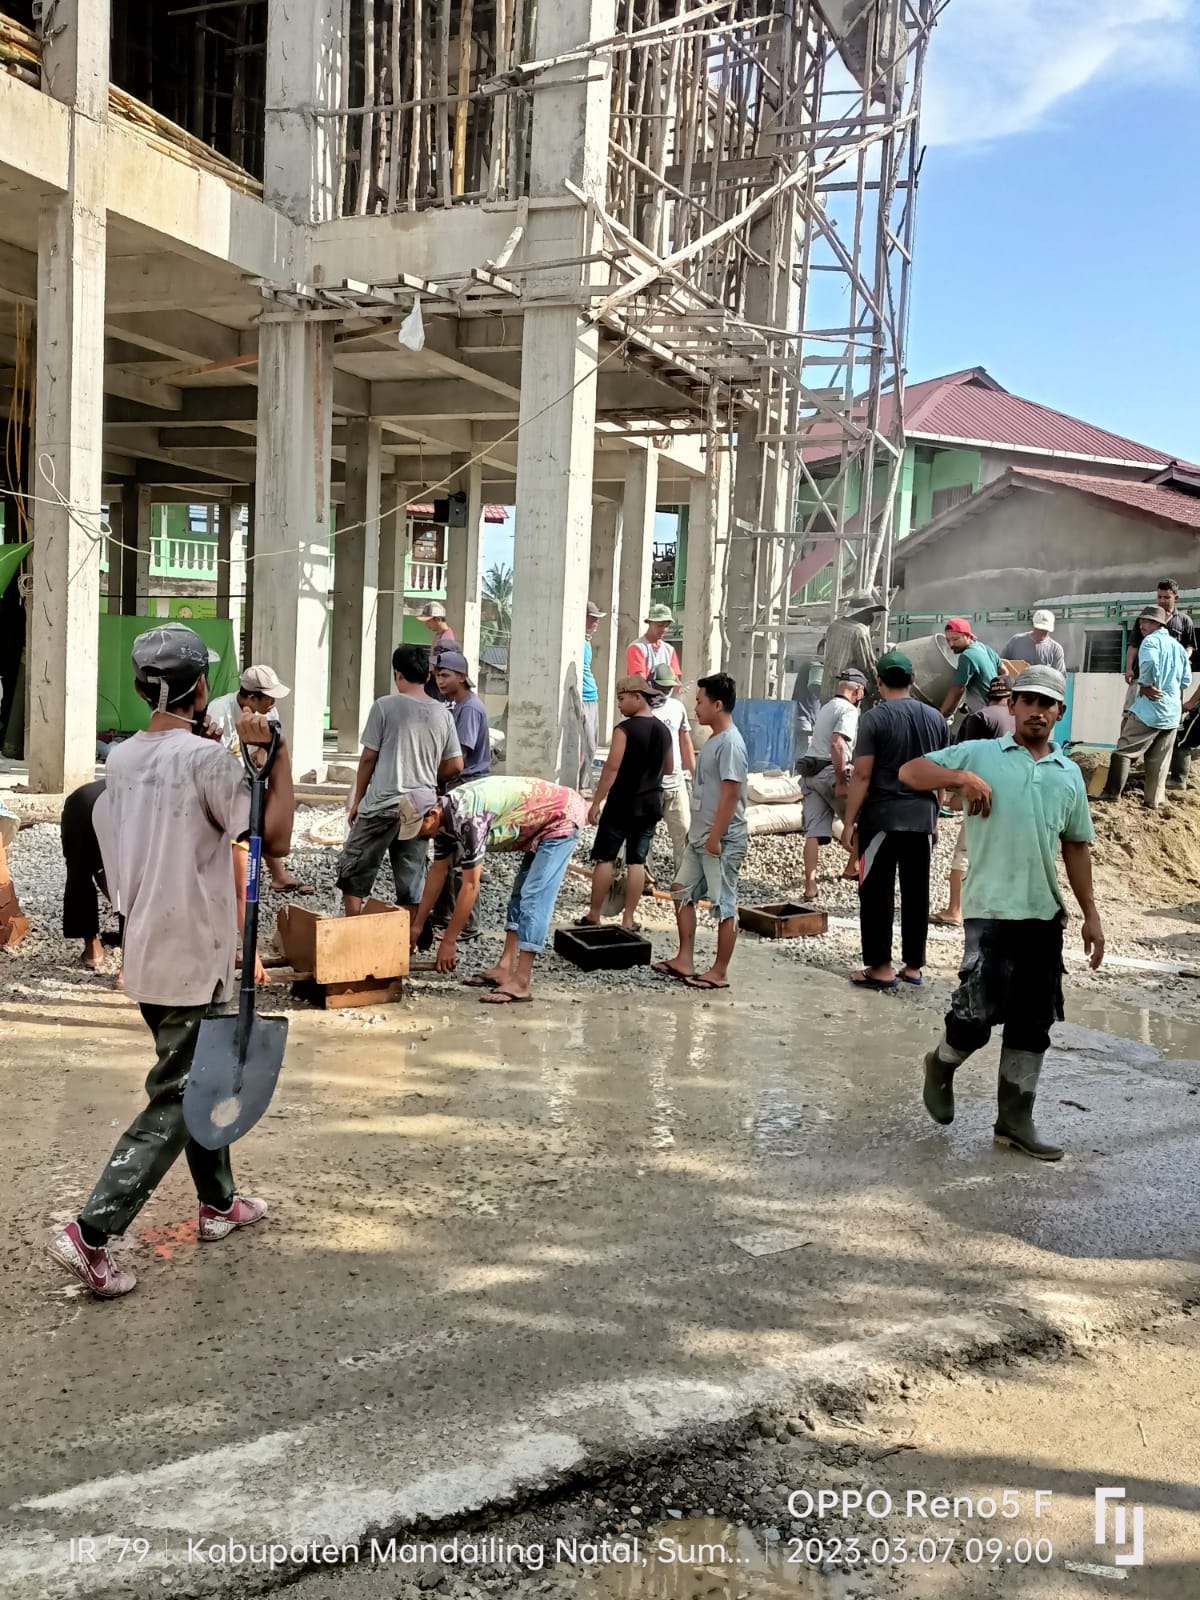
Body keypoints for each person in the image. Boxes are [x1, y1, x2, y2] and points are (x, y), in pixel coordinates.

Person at [47, 624, 295, 1298]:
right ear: (202, 688)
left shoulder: (124, 759)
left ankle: (219, 1202)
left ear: (139, 688)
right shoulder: (207, 761)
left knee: (197, 1076)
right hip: (195, 951)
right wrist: (275, 754)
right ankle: (92, 1232)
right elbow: (272, 836)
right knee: (182, 1096)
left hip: (148, 948)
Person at [898, 666, 1103, 1162]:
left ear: (1059, 711)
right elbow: (910, 772)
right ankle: (941, 1063)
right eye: (1027, 700)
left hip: (1043, 914)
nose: (1037, 710)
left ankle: (1014, 1121)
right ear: (1012, 706)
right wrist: (961, 778)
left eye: (1047, 703)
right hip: (990, 911)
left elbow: (1076, 846)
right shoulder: (981, 754)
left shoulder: (1068, 774)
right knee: (975, 1015)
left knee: (1033, 1023)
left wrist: (1090, 914)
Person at [408, 776, 587, 1003]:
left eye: (418, 827)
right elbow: (437, 872)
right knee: (519, 895)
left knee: (534, 896)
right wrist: (417, 925)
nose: (417, 835)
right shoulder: (444, 821)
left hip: (562, 817)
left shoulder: (469, 819)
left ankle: (521, 982)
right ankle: (505, 967)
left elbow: (471, 886)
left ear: (432, 814)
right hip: (540, 821)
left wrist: (449, 941)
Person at [841, 650, 950, 990]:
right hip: (921, 818)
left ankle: (881, 967)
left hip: (882, 818)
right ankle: (913, 966)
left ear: (878, 681)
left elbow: (862, 774)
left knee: (876, 892)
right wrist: (935, 818)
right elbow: (941, 773)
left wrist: (849, 821)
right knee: (917, 893)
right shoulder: (936, 719)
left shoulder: (874, 718)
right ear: (913, 679)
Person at [338, 644, 463, 917]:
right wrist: (428, 777)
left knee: (355, 871)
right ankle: (409, 934)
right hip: (420, 808)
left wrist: (358, 800)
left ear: (398, 675)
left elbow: (368, 758)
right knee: (412, 879)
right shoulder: (443, 714)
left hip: (381, 804)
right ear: (428, 676)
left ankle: (352, 926)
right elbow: (456, 764)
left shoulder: (384, 706)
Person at [654, 672, 749, 993]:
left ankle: (719, 971)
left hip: (720, 839)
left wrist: (715, 837)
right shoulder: (714, 740)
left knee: (724, 904)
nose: (695, 708)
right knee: (680, 889)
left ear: (717, 705)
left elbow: (731, 795)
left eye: (699, 701)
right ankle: (685, 959)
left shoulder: (731, 744)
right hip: (701, 836)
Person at [207, 664, 312, 893]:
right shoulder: (219, 711)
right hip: (223, 782)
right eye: (269, 698)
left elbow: (269, 747)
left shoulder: (268, 713)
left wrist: (261, 754)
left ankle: (278, 875)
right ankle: (240, 880)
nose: (273, 703)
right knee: (246, 822)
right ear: (252, 698)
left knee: (263, 815)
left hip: (250, 778)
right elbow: (213, 757)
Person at [579, 674, 672, 931]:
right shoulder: (663, 730)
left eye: (621, 699)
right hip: (650, 804)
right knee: (637, 861)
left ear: (637, 697)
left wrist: (596, 802)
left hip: (622, 803)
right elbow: (670, 767)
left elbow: (611, 768)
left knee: (605, 858)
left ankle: (594, 914)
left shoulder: (624, 729)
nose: (619, 705)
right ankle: (628, 919)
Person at [932, 676, 1017, 928]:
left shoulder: (980, 718)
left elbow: (967, 760)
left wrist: (958, 796)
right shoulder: (1019, 719)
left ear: (988, 695)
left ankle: (955, 910)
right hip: (1015, 796)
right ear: (1011, 698)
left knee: (966, 852)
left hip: (982, 795)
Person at [1099, 606, 1191, 810]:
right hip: (1172, 712)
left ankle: (1111, 795)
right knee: (1159, 761)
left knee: (1124, 751)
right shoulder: (1178, 647)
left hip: (1150, 709)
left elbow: (1149, 663)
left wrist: (1147, 684)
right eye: (1141, 621)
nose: (1141, 625)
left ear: (1158, 624)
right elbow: (1186, 680)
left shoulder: (1150, 642)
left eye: (1147, 621)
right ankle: (1153, 801)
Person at [432, 649, 491, 941]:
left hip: (466, 788)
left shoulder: (469, 709)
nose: (440, 681)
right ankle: (443, 913)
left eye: (445, 675)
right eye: (437, 675)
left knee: (461, 860)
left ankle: (468, 923)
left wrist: (436, 778)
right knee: (443, 854)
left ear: (462, 677)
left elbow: (460, 758)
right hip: (456, 787)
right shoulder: (459, 705)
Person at [800, 668, 866, 900]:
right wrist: (841, 781)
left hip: (810, 773)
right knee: (865, 816)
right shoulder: (849, 710)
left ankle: (810, 886)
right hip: (830, 772)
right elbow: (838, 744)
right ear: (858, 690)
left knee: (812, 833)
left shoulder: (826, 707)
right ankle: (852, 868)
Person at [60, 779, 123, 969]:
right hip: (124, 802)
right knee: (131, 873)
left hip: (83, 799)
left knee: (80, 870)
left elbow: (99, 869)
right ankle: (128, 964)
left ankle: (92, 950)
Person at [650, 662, 696, 876]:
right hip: (648, 786)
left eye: (668, 688)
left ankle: (683, 879)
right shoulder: (641, 709)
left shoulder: (677, 708)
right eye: (661, 687)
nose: (664, 692)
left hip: (675, 783)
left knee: (684, 832)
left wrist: (694, 774)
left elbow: (685, 742)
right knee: (644, 836)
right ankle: (645, 878)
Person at [1124, 579, 1197, 684]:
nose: (1162, 601)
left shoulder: (1184, 620)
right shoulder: (1145, 618)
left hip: (1171, 678)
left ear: (1176, 598)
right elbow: (1133, 645)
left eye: (1166, 597)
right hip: (1143, 676)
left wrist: (1183, 657)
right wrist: (1128, 669)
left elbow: (1190, 646)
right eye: (1159, 597)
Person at [939, 619, 1001, 721]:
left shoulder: (967, 656)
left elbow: (957, 690)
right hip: (997, 709)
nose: (951, 645)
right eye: (948, 640)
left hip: (983, 715)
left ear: (967, 636)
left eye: (955, 639)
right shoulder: (984, 648)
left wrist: (940, 714)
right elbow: (1004, 671)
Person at [580, 601, 605, 792]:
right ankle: (581, 785)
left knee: (592, 745)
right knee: (586, 744)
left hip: (592, 696)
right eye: (593, 618)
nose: (596, 623)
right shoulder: (578, 642)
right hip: (584, 698)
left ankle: (584, 784)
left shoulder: (587, 641)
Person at [626, 604, 682, 681]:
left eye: (667, 626)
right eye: (660, 625)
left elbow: (675, 679)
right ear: (649, 623)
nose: (664, 630)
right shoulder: (637, 648)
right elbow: (639, 681)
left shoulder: (670, 650)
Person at [417, 601, 457, 699]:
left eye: (428, 621)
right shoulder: (439, 635)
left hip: (438, 682)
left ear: (438, 619)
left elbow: (442, 663)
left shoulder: (447, 637)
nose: (426, 625)